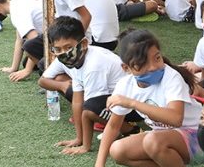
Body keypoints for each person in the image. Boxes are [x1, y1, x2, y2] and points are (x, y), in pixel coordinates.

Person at [89, 29, 204, 167]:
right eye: (142, 63)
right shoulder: (125, 85)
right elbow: (112, 127)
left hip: (200, 140)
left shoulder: (171, 77)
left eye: (157, 58)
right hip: (167, 139)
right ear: (126, 68)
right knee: (118, 150)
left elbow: (175, 119)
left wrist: (132, 103)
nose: (153, 67)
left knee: (153, 140)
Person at [38, 16, 135, 156]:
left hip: (133, 104)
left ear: (83, 43)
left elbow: (88, 110)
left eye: (68, 47)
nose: (64, 53)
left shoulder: (94, 65)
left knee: (91, 109)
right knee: (87, 106)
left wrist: (85, 146)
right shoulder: (75, 61)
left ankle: (130, 130)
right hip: (115, 99)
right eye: (57, 49)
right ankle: (118, 127)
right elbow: (77, 101)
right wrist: (79, 138)